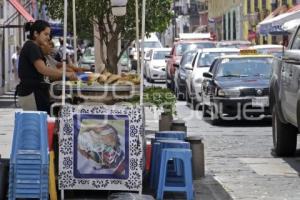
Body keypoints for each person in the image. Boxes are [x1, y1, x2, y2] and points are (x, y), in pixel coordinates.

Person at [17, 20, 77, 114]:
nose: (48, 37)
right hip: (32, 93)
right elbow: (43, 69)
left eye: (48, 35)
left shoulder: (33, 47)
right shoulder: (32, 46)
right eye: (45, 34)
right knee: (37, 124)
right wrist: (67, 74)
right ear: (36, 33)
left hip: (36, 92)